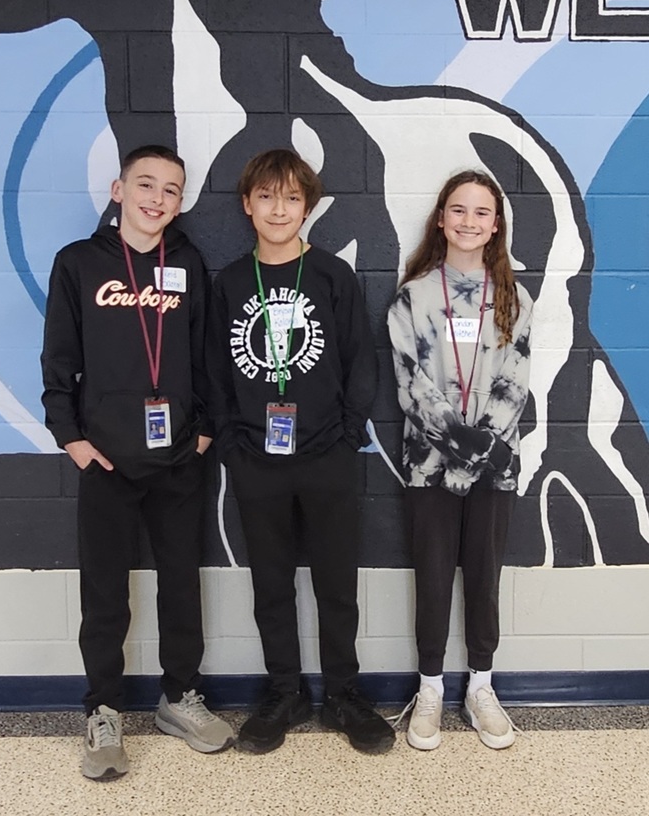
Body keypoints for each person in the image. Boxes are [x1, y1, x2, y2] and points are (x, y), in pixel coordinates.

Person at [41, 145, 234, 780]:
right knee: (104, 594)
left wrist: (203, 432)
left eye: (171, 190)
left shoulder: (188, 263)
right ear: (118, 190)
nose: (157, 198)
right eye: (145, 184)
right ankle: (103, 711)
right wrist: (72, 439)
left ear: (180, 203)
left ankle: (180, 697)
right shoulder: (78, 262)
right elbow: (58, 359)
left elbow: (207, 357)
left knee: (181, 584)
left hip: (179, 457)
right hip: (106, 461)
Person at [208, 148, 394, 756]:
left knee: (337, 584)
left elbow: (360, 362)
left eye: (291, 198)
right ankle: (284, 691)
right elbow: (214, 371)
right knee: (271, 584)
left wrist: (345, 435)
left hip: (326, 457)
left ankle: (343, 693)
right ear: (247, 204)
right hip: (255, 459)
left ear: (308, 207)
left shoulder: (332, 276)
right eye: (266, 196)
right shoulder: (231, 282)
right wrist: (233, 443)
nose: (278, 209)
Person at [387, 169, 533, 751]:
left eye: (481, 212)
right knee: (431, 576)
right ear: (441, 219)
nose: (469, 221)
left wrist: (481, 452)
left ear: (496, 226)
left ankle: (480, 687)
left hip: (495, 468)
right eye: (459, 210)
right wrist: (462, 448)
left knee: (483, 577)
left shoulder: (514, 299)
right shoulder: (413, 297)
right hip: (428, 467)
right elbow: (411, 386)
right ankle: (429, 688)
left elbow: (515, 383)